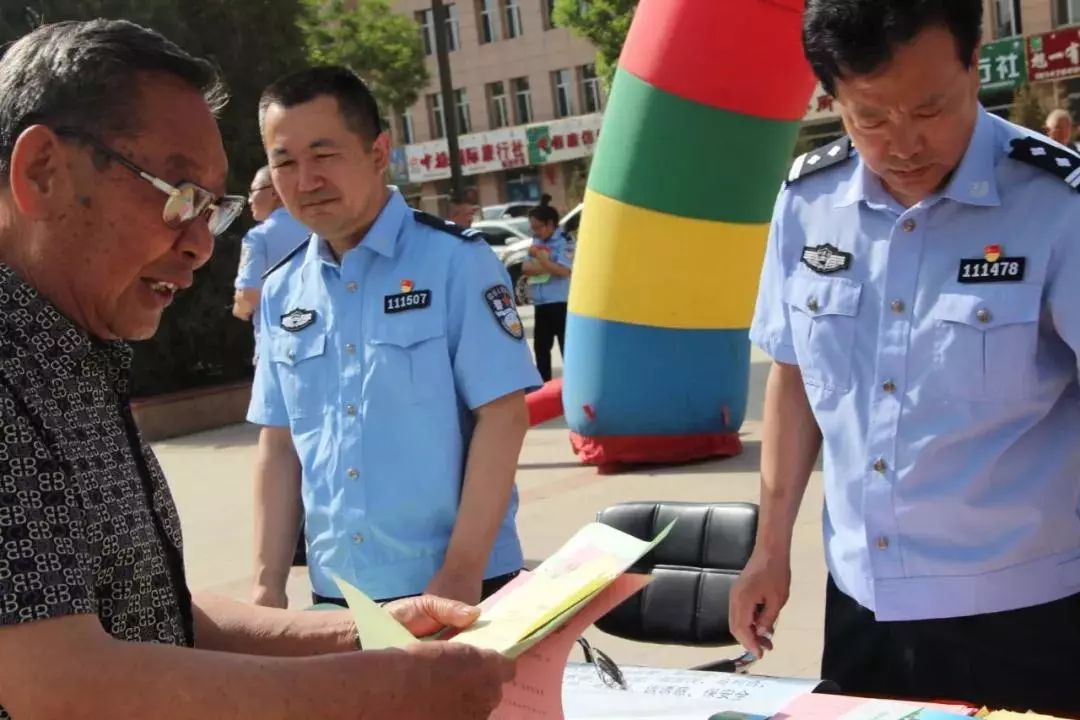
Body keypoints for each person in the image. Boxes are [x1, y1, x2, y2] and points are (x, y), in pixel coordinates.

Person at [0, 19, 514, 719]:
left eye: (211, 209)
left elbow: (158, 614)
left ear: (378, 153)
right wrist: (382, 686)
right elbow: (57, 681)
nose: (199, 245)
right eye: (179, 194)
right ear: (43, 173)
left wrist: (372, 635)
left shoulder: (70, 356)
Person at [730, 1, 1080, 714]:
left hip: (1025, 607)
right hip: (864, 601)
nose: (905, 144)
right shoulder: (808, 202)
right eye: (871, 118)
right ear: (833, 98)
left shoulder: (1055, 203)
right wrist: (770, 547)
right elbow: (794, 377)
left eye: (930, 109)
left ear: (974, 65)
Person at [247, 66, 541, 609]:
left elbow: (503, 418)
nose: (305, 180)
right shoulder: (282, 290)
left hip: (459, 587)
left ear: (378, 152)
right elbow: (280, 444)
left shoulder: (455, 262)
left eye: (324, 155)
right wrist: (268, 585)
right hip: (338, 596)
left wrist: (461, 571)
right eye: (284, 162)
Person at [232, 165, 310, 355]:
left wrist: (239, 308)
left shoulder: (257, 237)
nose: (249, 199)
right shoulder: (321, 230)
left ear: (274, 191)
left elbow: (248, 294)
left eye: (253, 191)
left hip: (277, 347)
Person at [521, 199, 573, 382]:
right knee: (541, 350)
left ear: (550, 224)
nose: (535, 232)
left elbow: (564, 271)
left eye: (538, 227)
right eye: (532, 228)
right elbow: (526, 268)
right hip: (541, 303)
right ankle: (544, 387)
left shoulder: (565, 241)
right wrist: (549, 266)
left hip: (560, 302)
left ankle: (572, 386)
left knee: (567, 348)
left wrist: (541, 260)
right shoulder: (537, 241)